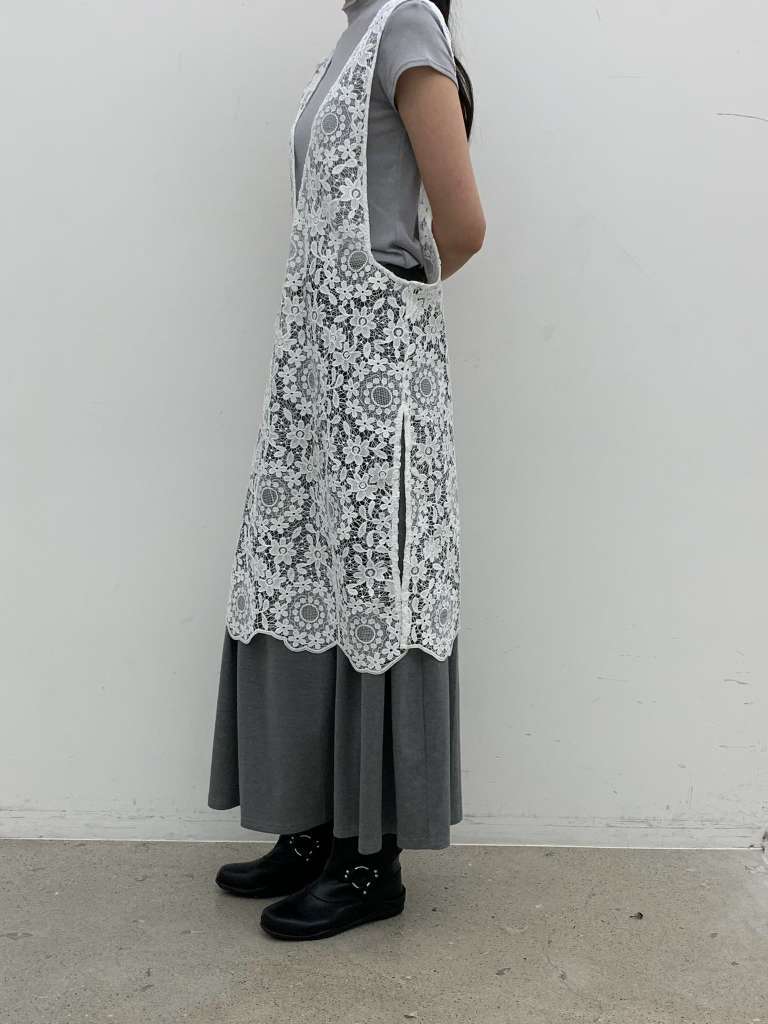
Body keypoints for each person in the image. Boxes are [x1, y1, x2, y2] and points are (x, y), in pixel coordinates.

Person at [207, 0, 485, 941]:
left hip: (374, 374)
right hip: (317, 369)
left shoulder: (407, 25)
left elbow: (464, 222)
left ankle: (371, 863)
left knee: (374, 588)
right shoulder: (353, 33)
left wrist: (385, 299)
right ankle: (316, 829)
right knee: (302, 574)